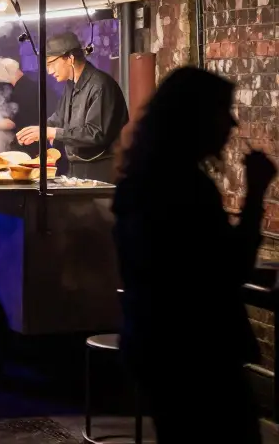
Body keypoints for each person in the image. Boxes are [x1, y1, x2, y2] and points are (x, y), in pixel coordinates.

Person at [113, 67, 275, 444]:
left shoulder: (142, 178)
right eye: (223, 110)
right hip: (193, 353)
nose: (233, 122)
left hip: (155, 345)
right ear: (193, 118)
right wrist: (254, 196)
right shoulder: (182, 187)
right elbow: (227, 270)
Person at [16, 32, 128, 181]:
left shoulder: (100, 85)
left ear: (70, 58)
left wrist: (52, 133)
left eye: (51, 63)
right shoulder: (71, 84)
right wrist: (37, 132)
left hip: (102, 171)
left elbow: (95, 133)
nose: (49, 71)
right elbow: (59, 118)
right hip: (76, 169)